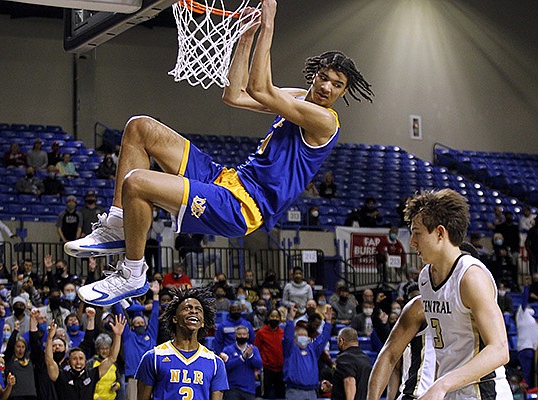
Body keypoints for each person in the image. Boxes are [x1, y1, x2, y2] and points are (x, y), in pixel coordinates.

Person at [64, 0, 373, 306]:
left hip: (242, 206)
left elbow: (260, 89)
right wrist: (245, 37)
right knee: (139, 128)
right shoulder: (297, 97)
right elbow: (235, 94)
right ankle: (119, 223)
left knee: (136, 183)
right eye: (325, 78)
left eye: (338, 85)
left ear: (343, 92)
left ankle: (133, 273)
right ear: (315, 75)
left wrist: (268, 26)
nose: (328, 88)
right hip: (228, 179)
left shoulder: (325, 121)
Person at [373, 188, 512, 400]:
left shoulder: (470, 277)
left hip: (484, 391)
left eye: (417, 233)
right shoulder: (426, 278)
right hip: (451, 390)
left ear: (440, 233)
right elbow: (444, 349)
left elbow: (500, 350)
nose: (411, 242)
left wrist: (441, 385)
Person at [135, 287, 228, 400]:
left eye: (198, 309)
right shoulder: (153, 357)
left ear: (203, 322)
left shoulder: (215, 363)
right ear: (175, 318)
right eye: (187, 308)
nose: (193, 311)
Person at [45, 315, 125, 400]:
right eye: (74, 359)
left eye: (81, 358)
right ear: (68, 362)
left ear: (86, 361)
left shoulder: (92, 375)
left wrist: (117, 335)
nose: (78, 362)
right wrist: (50, 338)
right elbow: (49, 361)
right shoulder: (61, 376)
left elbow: (112, 358)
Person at [283, 304, 333, 400]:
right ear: (295, 338)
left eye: (305, 335)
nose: (303, 337)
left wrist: (328, 322)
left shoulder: (313, 349)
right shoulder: (290, 349)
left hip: (312, 392)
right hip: (294, 391)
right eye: (300, 335)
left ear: (309, 338)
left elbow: (323, 339)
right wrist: (290, 320)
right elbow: (287, 337)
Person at [120, 281, 160, 399]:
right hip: (134, 378)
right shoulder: (129, 336)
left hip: (152, 378)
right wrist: (116, 299)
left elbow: (154, 317)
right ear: (132, 327)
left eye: (142, 323)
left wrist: (156, 295)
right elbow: (120, 315)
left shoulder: (151, 335)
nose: (140, 324)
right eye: (137, 323)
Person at [321, 327, 371, 400]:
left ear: (341, 341)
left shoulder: (344, 358)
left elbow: (349, 381)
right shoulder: (366, 359)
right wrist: (333, 388)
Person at [219, 325, 263, 400]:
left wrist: (250, 356)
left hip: (249, 389)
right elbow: (226, 366)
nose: (242, 336)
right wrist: (242, 358)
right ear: (235, 336)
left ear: (248, 336)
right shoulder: (228, 350)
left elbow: (259, 364)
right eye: (239, 334)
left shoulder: (253, 349)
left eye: (244, 334)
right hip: (232, 389)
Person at [254, 309, 284, 399]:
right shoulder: (261, 332)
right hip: (267, 368)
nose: (274, 318)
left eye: (276, 317)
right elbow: (256, 350)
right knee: (265, 395)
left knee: (281, 395)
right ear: (268, 318)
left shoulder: (282, 332)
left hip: (281, 369)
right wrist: (256, 369)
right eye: (272, 316)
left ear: (280, 319)